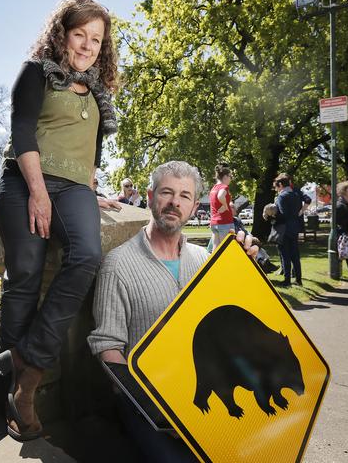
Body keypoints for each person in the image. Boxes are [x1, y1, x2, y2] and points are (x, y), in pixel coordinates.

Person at [0, 0, 121, 441]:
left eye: (96, 39)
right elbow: (23, 131)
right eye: (79, 34)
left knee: (86, 256)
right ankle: (16, 395)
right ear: (62, 33)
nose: (87, 45)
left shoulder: (100, 96)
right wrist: (38, 193)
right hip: (25, 180)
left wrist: (92, 191)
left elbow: (89, 155)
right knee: (25, 271)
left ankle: (25, 362)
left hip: (75, 189)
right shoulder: (35, 73)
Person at [88, 161, 257, 463]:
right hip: (148, 407)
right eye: (167, 192)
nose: (174, 203)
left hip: (204, 393)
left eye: (184, 196)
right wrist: (158, 413)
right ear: (151, 197)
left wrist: (245, 273)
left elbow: (229, 322)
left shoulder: (204, 259)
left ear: (194, 207)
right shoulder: (118, 265)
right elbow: (108, 349)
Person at [273, 173, 303, 287]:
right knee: (295, 255)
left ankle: (287, 280)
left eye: (276, 187)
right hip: (294, 227)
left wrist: (273, 215)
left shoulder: (282, 196)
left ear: (280, 184)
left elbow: (283, 214)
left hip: (284, 229)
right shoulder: (295, 194)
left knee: (285, 255)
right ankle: (299, 279)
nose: (276, 189)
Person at [207, 163, 234, 252]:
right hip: (224, 222)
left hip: (215, 222)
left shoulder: (213, 188)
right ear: (225, 176)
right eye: (230, 176)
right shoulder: (224, 186)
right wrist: (226, 206)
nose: (231, 179)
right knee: (227, 250)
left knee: (216, 249)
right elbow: (220, 196)